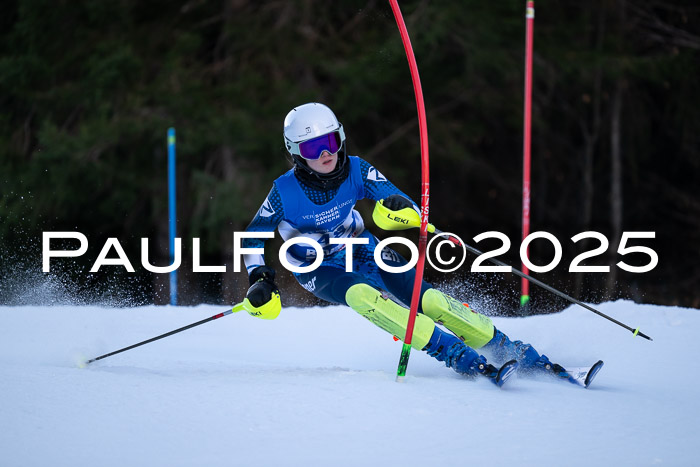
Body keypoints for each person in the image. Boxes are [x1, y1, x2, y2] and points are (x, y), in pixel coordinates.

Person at [241, 102, 569, 387]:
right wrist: (259, 276)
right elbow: (253, 234)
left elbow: (398, 200)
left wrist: (404, 209)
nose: (326, 153)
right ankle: (454, 355)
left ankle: (511, 351)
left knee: (431, 301)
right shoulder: (284, 192)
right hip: (320, 268)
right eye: (313, 148)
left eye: (329, 141)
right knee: (362, 296)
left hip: (362, 247)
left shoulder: (356, 169)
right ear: (297, 152)